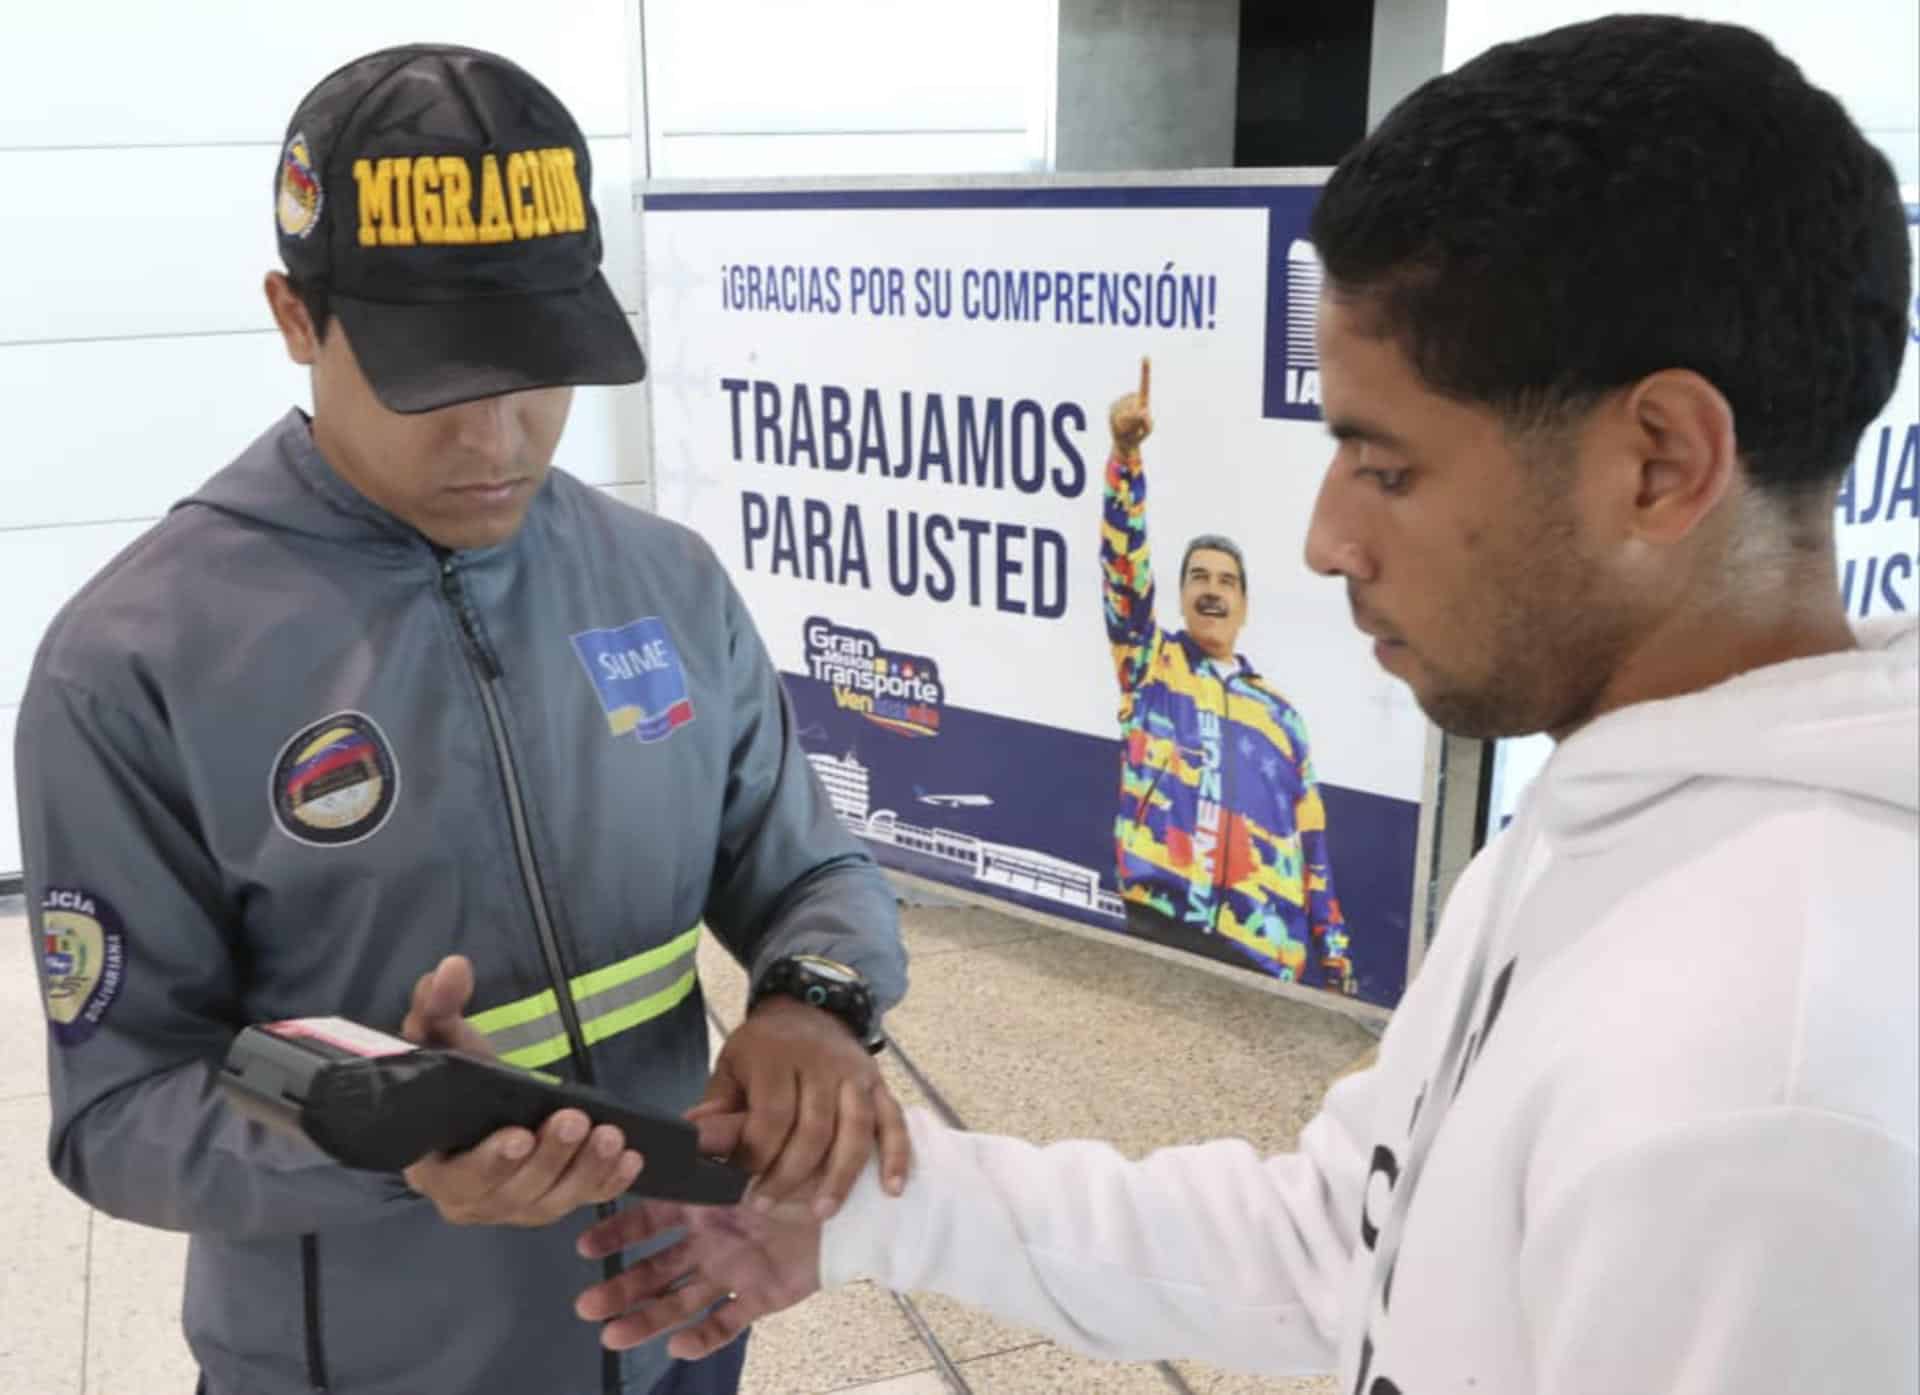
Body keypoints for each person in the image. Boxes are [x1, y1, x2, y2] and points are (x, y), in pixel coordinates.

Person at [567, 17, 1919, 1394]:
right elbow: (1340, 1243)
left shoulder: (1776, 1089)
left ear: (1658, 462)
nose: (1326, 539)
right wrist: (857, 1206)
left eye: (1384, 467)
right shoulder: (1606, 824)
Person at [17, 44, 911, 1395]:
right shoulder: (131, 662)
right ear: (296, 316)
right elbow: (120, 1112)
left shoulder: (664, 584)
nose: (500, 434)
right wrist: (375, 1141)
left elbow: (812, 870)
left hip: (676, 1341)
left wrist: (818, 998)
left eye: (539, 364)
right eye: (438, 377)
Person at [1102, 357, 1352, 991]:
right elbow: (1123, 573)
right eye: (1198, 579)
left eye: (1227, 582)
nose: (1212, 592)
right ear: (1181, 596)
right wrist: (1125, 458)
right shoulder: (1151, 666)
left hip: (1261, 948)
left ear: (1244, 603)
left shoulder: (1281, 719)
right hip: (1162, 921)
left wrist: (1337, 966)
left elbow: (1313, 854)